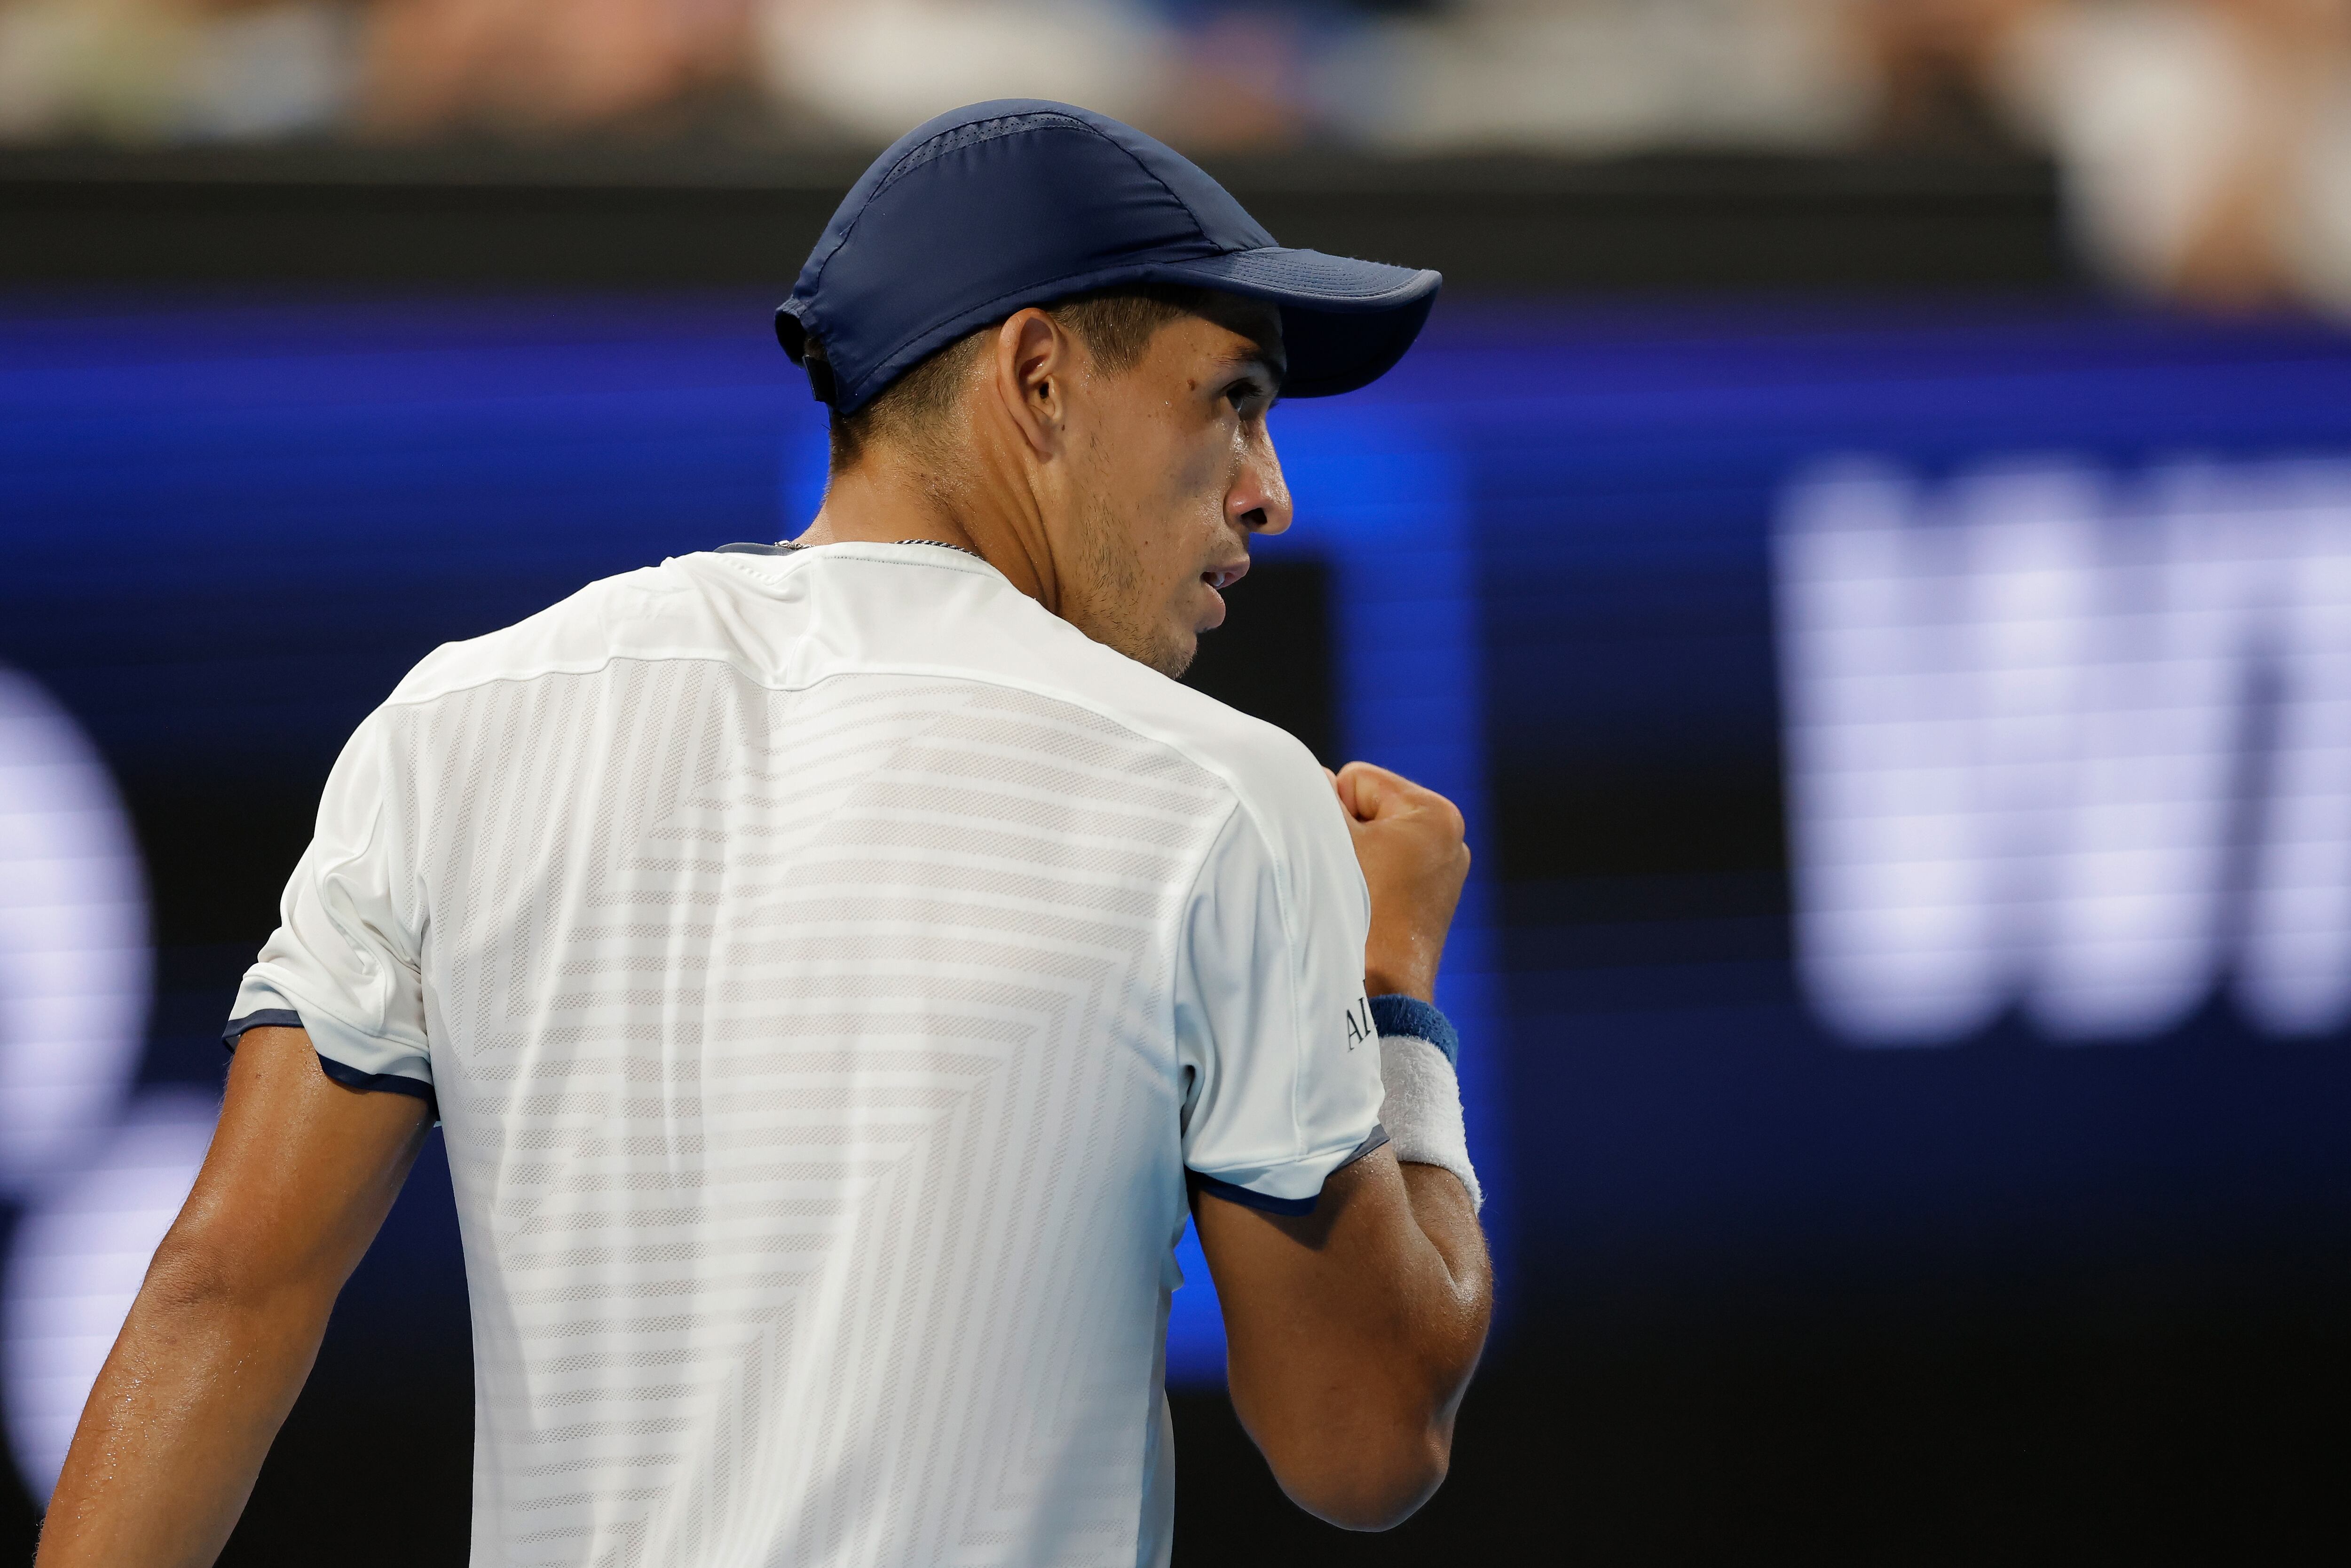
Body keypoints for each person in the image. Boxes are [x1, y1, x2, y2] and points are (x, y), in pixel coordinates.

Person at [33, 99, 1491, 1568]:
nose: (1271, 492)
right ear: (1038, 377)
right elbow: (1365, 1441)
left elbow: (224, 1293)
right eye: (1232, 398)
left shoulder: (456, 725)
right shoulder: (1224, 794)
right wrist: (1393, 989)